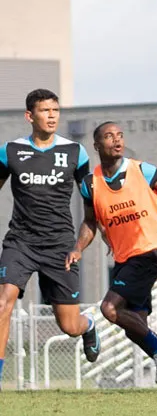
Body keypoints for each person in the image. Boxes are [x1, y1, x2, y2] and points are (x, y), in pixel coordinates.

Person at [65, 122, 157, 393]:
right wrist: (78, 248)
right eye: (108, 136)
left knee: (110, 309)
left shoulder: (140, 170)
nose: (116, 140)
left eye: (119, 135)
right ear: (97, 146)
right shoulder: (90, 184)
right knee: (135, 327)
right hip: (124, 259)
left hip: (147, 254)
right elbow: (90, 222)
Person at [0, 89, 100, 389]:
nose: (52, 116)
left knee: (68, 325)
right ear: (30, 116)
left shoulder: (75, 152)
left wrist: (79, 247)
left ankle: (89, 326)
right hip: (20, 242)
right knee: (3, 302)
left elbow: (91, 210)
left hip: (59, 247)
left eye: (55, 110)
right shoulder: (10, 151)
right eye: (45, 111)